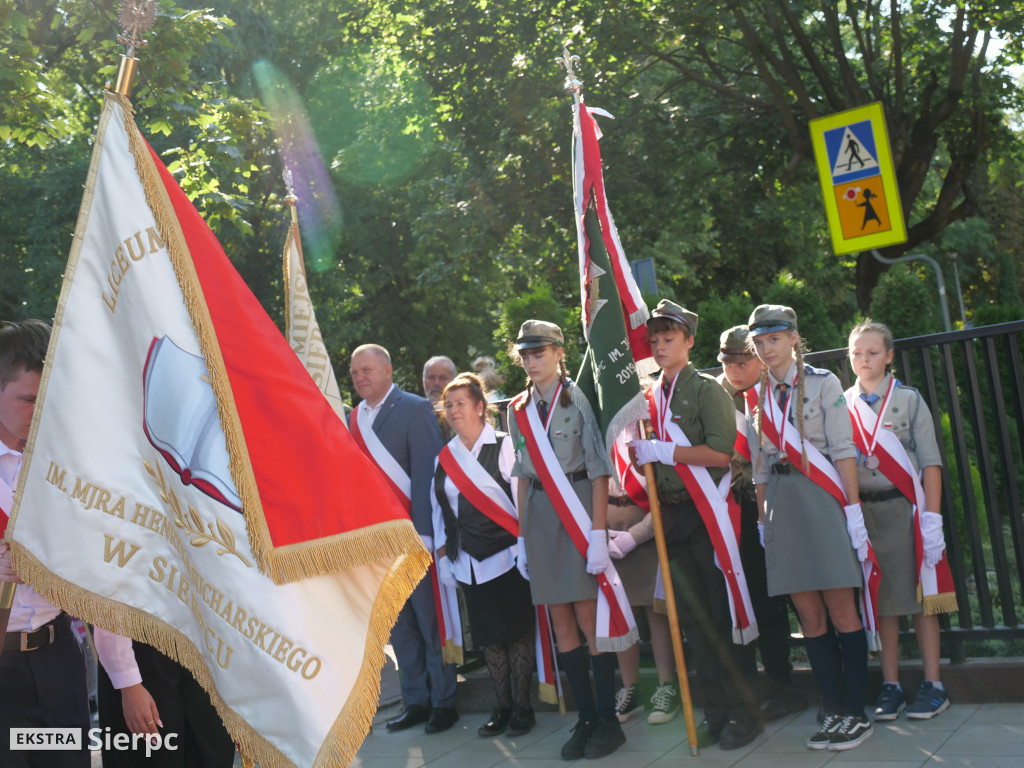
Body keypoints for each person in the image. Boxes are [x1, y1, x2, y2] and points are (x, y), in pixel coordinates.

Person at [629, 301, 761, 750]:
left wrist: (667, 452)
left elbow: (722, 455)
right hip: (670, 514)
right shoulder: (650, 397)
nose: (661, 347)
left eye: (670, 339)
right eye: (656, 340)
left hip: (706, 510)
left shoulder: (706, 390)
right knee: (692, 622)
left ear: (689, 341)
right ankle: (715, 711)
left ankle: (745, 712)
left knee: (721, 615)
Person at [745, 304, 871, 751]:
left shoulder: (823, 383)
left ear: (794, 337)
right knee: (810, 616)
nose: (766, 348)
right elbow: (759, 468)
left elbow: (842, 450)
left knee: (840, 609)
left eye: (774, 338)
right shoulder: (755, 395)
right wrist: (763, 520)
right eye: (759, 342)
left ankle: (856, 709)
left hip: (822, 499)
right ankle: (832, 706)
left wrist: (853, 513)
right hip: (782, 502)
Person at [506, 319, 626, 760]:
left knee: (589, 620)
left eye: (540, 353)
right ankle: (586, 718)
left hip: (576, 511)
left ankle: (609, 723)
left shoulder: (578, 401)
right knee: (561, 624)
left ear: (560, 353)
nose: (532, 361)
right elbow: (521, 475)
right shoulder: (517, 408)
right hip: (539, 518)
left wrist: (597, 533)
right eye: (525, 354)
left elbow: (598, 470)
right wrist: (522, 535)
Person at [348, 344, 457, 734]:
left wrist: (428, 535)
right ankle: (415, 700)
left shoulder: (415, 408)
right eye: (355, 372)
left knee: (430, 621)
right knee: (400, 627)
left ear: (388, 371)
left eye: (368, 370)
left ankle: (444, 701)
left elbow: (429, 476)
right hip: (380, 545)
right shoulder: (353, 419)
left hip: (416, 537)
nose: (361, 377)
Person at [846, 321, 950, 720]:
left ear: (889, 356)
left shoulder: (908, 400)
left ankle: (933, 684)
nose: (863, 360)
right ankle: (890, 685)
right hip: (867, 512)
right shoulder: (843, 403)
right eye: (856, 353)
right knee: (883, 601)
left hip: (907, 509)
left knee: (922, 600)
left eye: (872, 352)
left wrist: (931, 520)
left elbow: (930, 463)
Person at [0, 319, 91, 768]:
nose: (39, 411)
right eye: (28, 399)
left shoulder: (62, 464)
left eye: (46, 399)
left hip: (57, 658)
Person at [430, 373, 536, 737]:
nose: (454, 410)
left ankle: (524, 708)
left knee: (517, 632)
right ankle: (502, 706)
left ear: (480, 407)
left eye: (461, 403)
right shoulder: (444, 458)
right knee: (490, 637)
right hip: (468, 562)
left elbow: (522, 500)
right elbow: (439, 511)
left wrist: (525, 544)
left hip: (507, 555)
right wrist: (443, 557)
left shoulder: (504, 446)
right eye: (449, 405)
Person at [716, 325, 807, 721]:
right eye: (727, 362)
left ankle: (824, 676)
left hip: (785, 500)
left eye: (742, 361)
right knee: (758, 597)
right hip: (739, 508)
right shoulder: (718, 396)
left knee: (804, 593)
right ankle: (777, 682)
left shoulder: (779, 390)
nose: (734, 369)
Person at [93, 630, 234, 767]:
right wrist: (128, 682)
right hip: (142, 654)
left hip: (204, 644)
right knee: (154, 754)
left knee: (213, 754)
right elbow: (110, 608)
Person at [605, 473, 680, 726]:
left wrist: (638, 535)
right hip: (607, 531)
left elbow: (661, 493)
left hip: (646, 529)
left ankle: (667, 686)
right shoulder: (596, 435)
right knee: (621, 615)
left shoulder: (647, 433)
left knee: (656, 611)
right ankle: (630, 689)